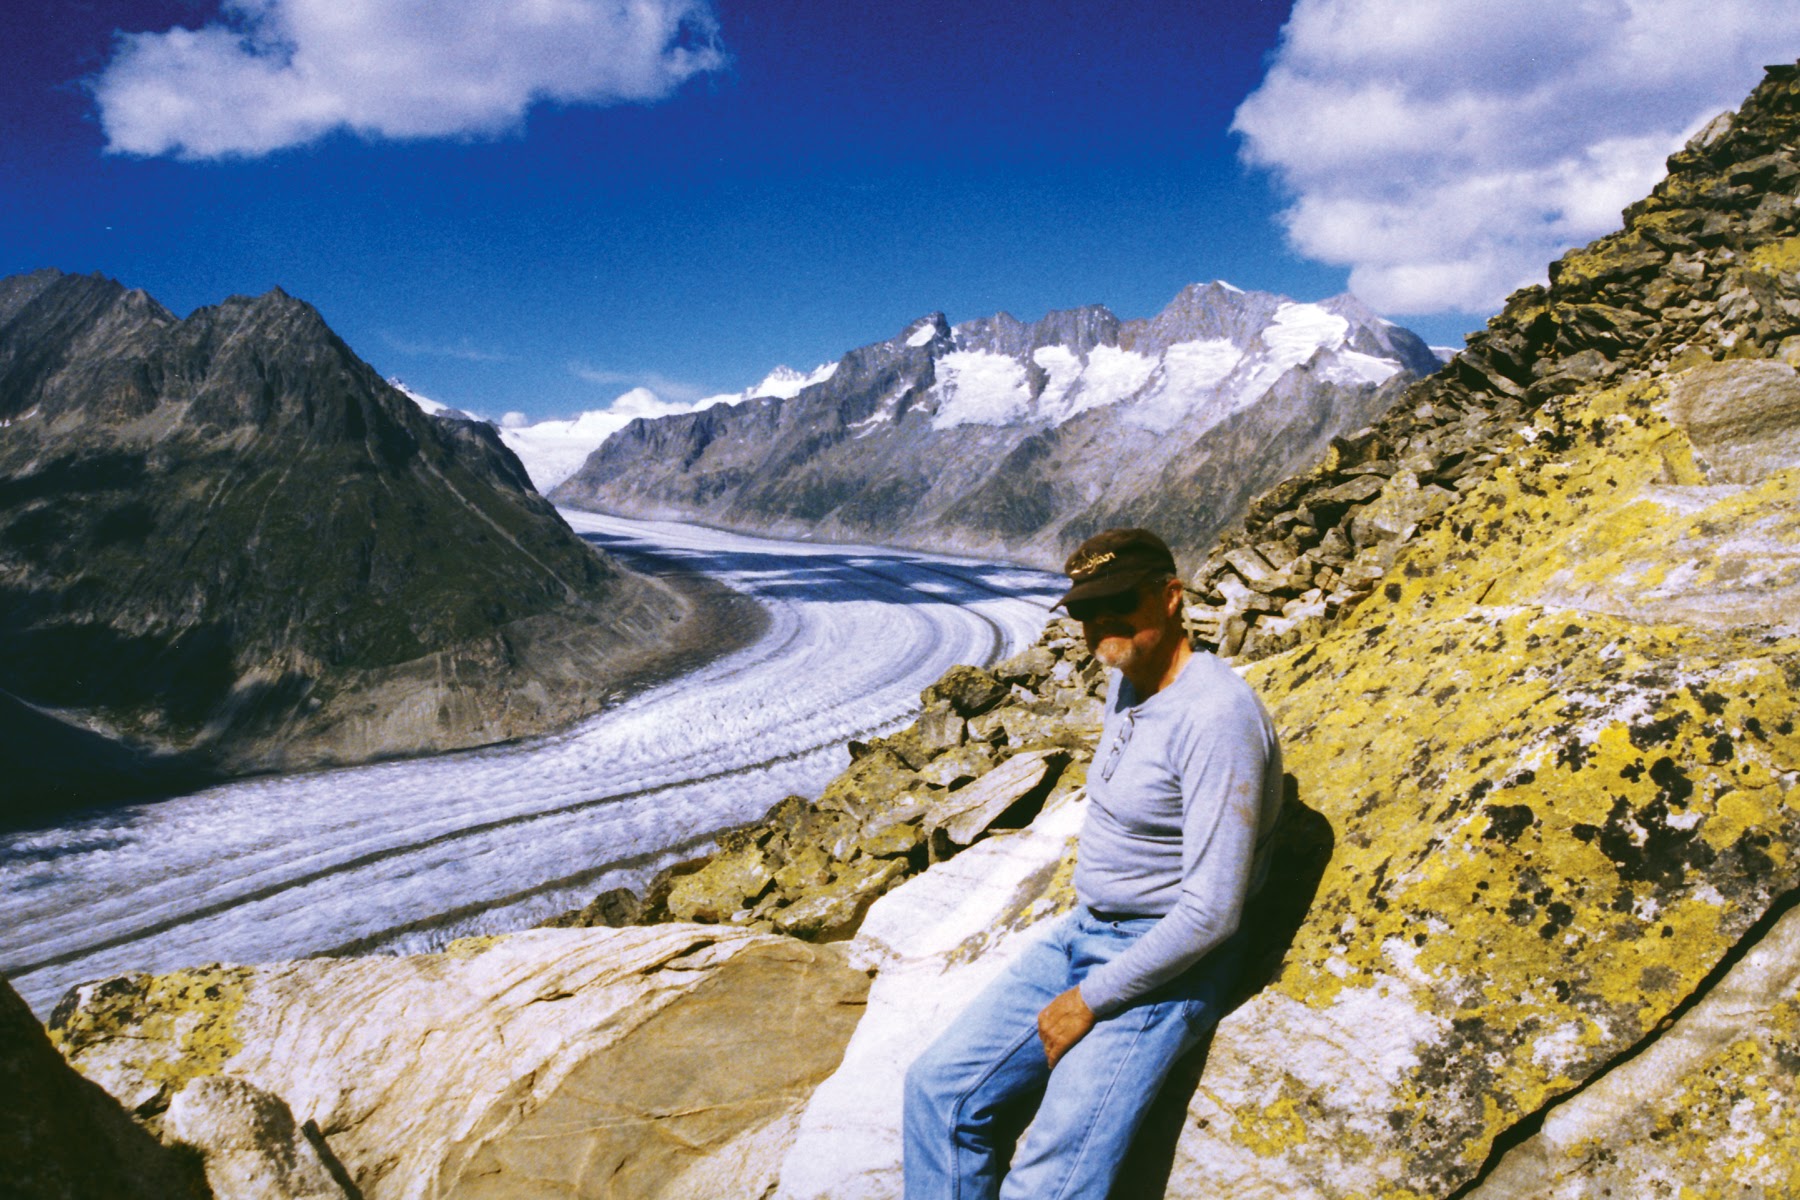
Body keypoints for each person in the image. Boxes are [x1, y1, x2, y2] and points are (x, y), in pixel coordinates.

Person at [902, 526, 1285, 1199]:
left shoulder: (1216, 716)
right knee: (939, 1094)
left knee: (1052, 1176)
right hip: (1087, 930)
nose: (1096, 623)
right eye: (1082, 609)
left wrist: (1089, 999)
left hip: (1167, 962)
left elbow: (1212, 911)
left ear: (1170, 596)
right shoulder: (1126, 681)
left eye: (1117, 602)